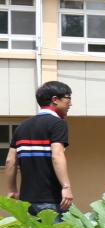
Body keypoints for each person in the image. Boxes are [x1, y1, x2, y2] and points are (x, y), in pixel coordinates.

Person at [6, 81, 74, 217]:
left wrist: (12, 190)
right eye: (68, 98)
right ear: (55, 99)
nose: (70, 103)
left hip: (27, 201)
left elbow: (10, 161)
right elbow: (57, 155)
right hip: (53, 200)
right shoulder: (58, 124)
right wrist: (66, 187)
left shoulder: (22, 127)